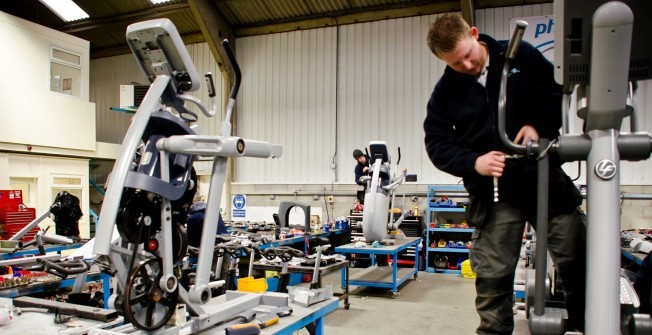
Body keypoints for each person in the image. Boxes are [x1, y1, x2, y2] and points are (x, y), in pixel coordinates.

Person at [423, 13, 586, 333]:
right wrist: (474, 162)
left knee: (578, 261)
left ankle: (587, 326)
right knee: (493, 277)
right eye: (456, 64)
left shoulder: (521, 55)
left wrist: (536, 126)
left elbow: (555, 94)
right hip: (493, 193)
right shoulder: (445, 92)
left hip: (544, 180)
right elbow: (438, 144)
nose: (467, 66)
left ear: (474, 33)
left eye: (468, 56)